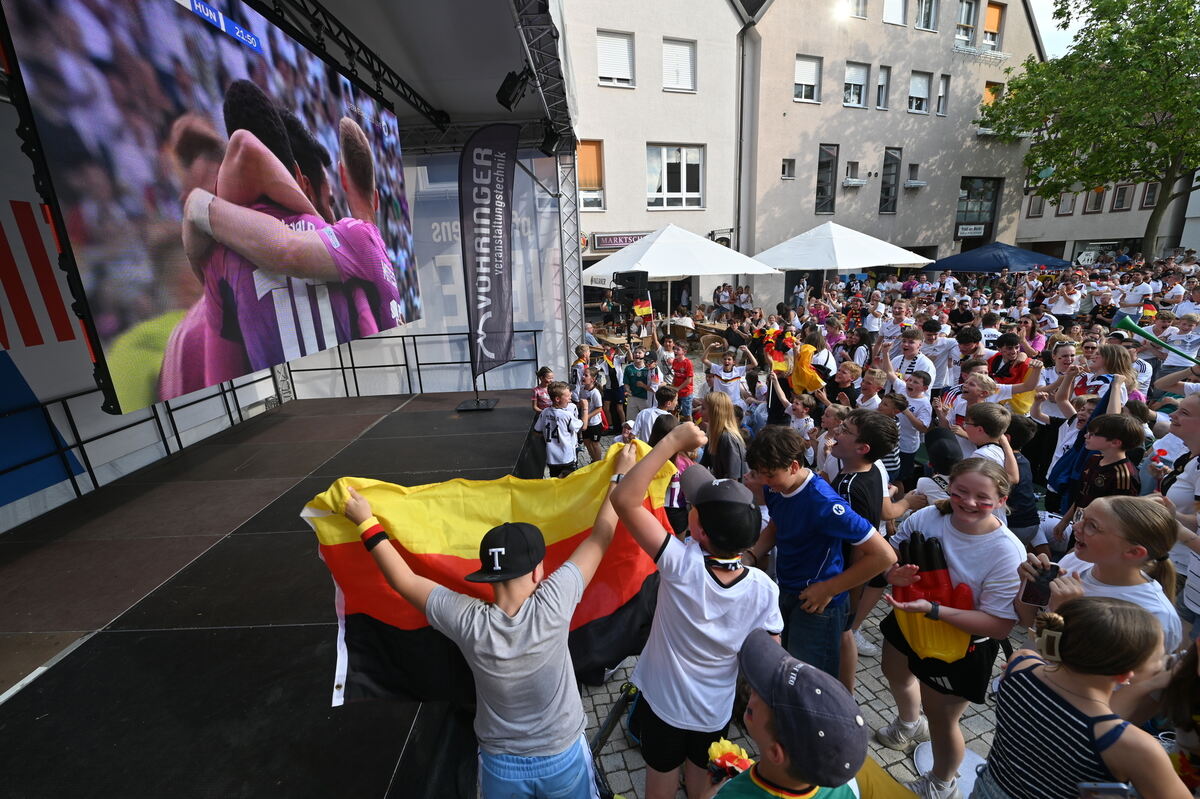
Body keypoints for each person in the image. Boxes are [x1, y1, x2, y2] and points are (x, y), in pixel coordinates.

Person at [341, 443, 638, 799]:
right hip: (562, 757)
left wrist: (365, 521)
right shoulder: (555, 601)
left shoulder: (467, 620)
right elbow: (602, 534)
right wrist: (620, 474)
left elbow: (404, 580)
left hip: (501, 767)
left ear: (487, 575)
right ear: (537, 571)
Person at [610, 424, 784, 799]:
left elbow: (624, 500)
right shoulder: (765, 589)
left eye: (693, 508)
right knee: (703, 782)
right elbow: (768, 656)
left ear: (699, 530)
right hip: (713, 711)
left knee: (660, 778)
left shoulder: (680, 565)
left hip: (665, 707)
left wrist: (670, 442)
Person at [876, 459, 1025, 799]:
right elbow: (892, 555)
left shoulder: (1006, 551)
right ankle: (909, 722)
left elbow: (1000, 625)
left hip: (963, 642)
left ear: (1001, 501)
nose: (969, 503)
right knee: (894, 671)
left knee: (942, 719)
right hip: (908, 620)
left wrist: (935, 610)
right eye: (961, 492)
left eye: (982, 498)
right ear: (949, 488)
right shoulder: (927, 517)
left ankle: (942, 783)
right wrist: (891, 575)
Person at [974, 598, 1188, 799]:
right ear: (1125, 675)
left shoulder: (1020, 666)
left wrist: (1149, 683)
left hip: (989, 788)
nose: (1165, 662)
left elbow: (1076, 712)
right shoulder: (1133, 747)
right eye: (1160, 659)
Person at [744, 426, 897, 678]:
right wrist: (752, 554)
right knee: (786, 665)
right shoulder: (776, 487)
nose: (762, 481)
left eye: (769, 475)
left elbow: (884, 556)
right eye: (757, 473)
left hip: (818, 604)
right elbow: (777, 523)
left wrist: (829, 589)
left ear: (793, 466)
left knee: (809, 679)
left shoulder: (824, 503)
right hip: (787, 590)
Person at [717, 628, 923, 798]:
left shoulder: (732, 794)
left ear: (775, 753)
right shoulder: (844, 783)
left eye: (762, 695)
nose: (753, 690)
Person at [534, 382, 583, 478]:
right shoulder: (566, 415)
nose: (570, 398)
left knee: (555, 482)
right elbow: (582, 426)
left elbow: (536, 432)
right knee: (569, 483)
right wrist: (585, 409)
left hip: (552, 458)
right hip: (566, 457)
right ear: (557, 399)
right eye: (568, 396)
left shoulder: (544, 412)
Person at [699, 391, 748, 481]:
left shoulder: (727, 438)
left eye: (703, 408)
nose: (699, 411)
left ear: (715, 411)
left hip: (732, 490)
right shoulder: (713, 434)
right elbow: (703, 464)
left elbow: (733, 478)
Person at [577, 369, 605, 464]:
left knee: (595, 443)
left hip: (594, 423)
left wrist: (587, 416)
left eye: (586, 375)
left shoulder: (595, 393)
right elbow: (580, 404)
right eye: (583, 375)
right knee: (586, 442)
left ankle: (599, 463)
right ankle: (594, 460)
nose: (583, 377)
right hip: (585, 423)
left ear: (592, 379)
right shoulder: (582, 390)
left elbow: (599, 409)